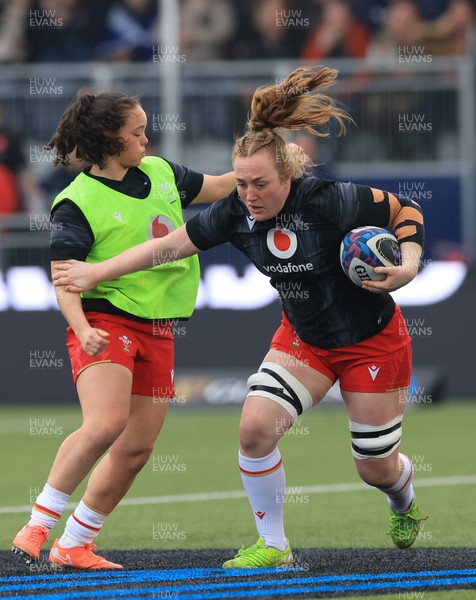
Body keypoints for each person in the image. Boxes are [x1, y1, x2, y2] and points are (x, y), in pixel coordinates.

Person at [52, 67, 427, 568]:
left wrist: (407, 265)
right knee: (254, 429)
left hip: (373, 341)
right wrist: (95, 273)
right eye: (242, 183)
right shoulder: (235, 212)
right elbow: (166, 247)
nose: (249, 194)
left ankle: (401, 498)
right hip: (304, 341)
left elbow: (406, 209)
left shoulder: (328, 199)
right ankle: (273, 545)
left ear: (288, 175)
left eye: (261, 184)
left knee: (374, 469)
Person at [11, 90, 236, 569]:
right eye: (136, 132)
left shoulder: (160, 172)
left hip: (159, 326)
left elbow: (219, 188)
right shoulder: (75, 202)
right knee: (106, 426)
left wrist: (266, 172)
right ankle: (36, 525)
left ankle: (74, 544)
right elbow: (65, 280)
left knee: (135, 449)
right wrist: (81, 327)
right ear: (111, 141)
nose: (145, 138)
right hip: (105, 319)